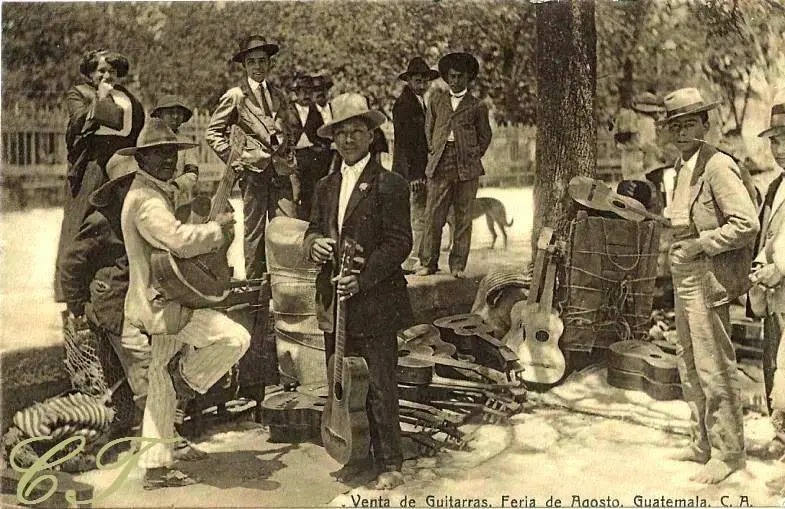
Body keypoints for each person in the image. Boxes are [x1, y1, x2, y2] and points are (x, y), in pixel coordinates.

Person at [120, 119, 250, 489]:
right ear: (141, 158)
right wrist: (217, 231)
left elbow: (182, 200)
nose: (168, 160)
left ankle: (157, 466)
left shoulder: (152, 190)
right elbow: (178, 239)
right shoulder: (145, 201)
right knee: (235, 339)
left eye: (171, 154)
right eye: (159, 154)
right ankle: (189, 377)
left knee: (160, 379)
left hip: (166, 297)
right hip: (163, 304)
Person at [303, 93, 413, 490]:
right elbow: (312, 228)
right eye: (340, 133)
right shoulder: (325, 185)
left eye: (356, 131)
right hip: (335, 301)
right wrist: (312, 243)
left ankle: (390, 462)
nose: (348, 139)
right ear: (332, 139)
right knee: (345, 384)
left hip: (375, 299)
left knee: (380, 383)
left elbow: (400, 243)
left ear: (371, 135)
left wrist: (361, 279)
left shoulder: (389, 184)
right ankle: (354, 454)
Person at [660, 87, 758, 484]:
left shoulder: (718, 166)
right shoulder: (683, 167)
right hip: (684, 275)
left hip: (707, 276)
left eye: (689, 124)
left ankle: (728, 451)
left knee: (714, 364)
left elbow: (746, 223)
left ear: (706, 124)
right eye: (675, 126)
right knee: (687, 360)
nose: (682, 132)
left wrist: (701, 245)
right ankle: (701, 441)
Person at [205, 34, 302, 280]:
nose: (258, 67)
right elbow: (212, 133)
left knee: (287, 227)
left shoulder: (278, 94)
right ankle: (256, 288)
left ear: (269, 63)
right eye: (252, 62)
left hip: (280, 171)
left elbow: (292, 127)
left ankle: (286, 284)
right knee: (255, 232)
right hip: (254, 173)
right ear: (245, 65)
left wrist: (287, 148)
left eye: (262, 61)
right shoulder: (237, 96)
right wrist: (236, 158)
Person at [54, 49, 145, 302]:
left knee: (118, 221)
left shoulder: (128, 97)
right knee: (84, 220)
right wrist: (102, 99)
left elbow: (135, 127)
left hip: (122, 163)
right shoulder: (80, 93)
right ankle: (73, 294)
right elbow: (79, 124)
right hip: (92, 165)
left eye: (112, 71)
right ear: (91, 73)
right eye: (101, 71)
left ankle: (114, 286)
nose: (107, 76)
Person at [416, 51, 492, 278]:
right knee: (433, 215)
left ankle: (458, 265)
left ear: (468, 78)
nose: (454, 80)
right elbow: (429, 130)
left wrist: (472, 153)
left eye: (460, 76)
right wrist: (436, 150)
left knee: (463, 217)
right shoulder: (436, 100)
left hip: (467, 166)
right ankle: (428, 262)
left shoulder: (477, 106)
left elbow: (485, 136)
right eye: (451, 76)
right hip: (441, 163)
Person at [747, 103, 785, 482]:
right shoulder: (776, 184)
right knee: (773, 363)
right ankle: (781, 434)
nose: (780, 148)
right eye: (775, 140)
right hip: (775, 294)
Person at [392, 57, 439, 273]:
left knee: (419, 214)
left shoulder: (419, 102)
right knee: (414, 215)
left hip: (418, 169)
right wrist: (414, 175)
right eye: (418, 81)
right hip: (410, 171)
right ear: (409, 80)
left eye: (425, 81)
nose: (422, 85)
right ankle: (408, 261)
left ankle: (415, 258)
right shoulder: (404, 105)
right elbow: (405, 144)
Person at [150, 95, 200, 216]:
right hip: (153, 194)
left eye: (179, 113)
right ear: (160, 115)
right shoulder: (150, 141)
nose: (176, 116)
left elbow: (192, 173)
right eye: (170, 113)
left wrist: (176, 186)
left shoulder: (186, 142)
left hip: (178, 197)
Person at [293, 74, 333, 219]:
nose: (306, 95)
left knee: (314, 193)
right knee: (296, 194)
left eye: (309, 91)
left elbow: (322, 132)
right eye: (303, 91)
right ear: (296, 93)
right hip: (295, 157)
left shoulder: (316, 110)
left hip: (315, 157)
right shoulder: (288, 110)